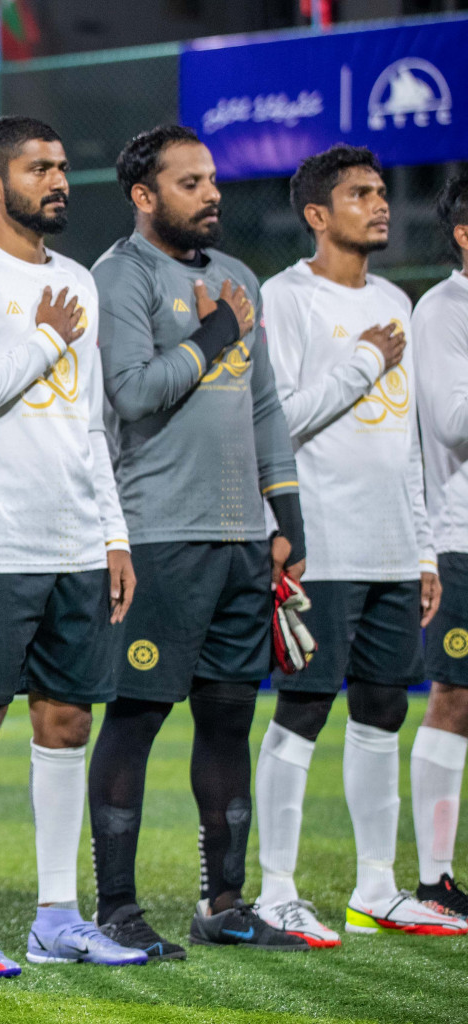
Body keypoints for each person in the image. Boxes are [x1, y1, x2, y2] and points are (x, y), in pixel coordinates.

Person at [0, 116, 146, 973]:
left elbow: (90, 425)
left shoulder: (80, 281)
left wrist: (113, 533)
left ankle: (57, 916)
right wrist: (44, 339)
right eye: (38, 168)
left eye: (60, 165)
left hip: (75, 542)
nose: (57, 180)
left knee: (66, 721)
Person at [87, 124, 310, 956]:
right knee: (139, 716)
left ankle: (223, 903)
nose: (211, 194)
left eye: (212, 180)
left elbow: (265, 410)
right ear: (145, 197)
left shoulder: (238, 277)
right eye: (190, 183)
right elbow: (135, 393)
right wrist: (213, 336)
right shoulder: (120, 275)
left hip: (239, 541)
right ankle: (116, 908)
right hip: (159, 536)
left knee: (227, 722)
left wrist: (287, 519)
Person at [254, 145, 464, 944]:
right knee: (304, 709)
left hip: (388, 546)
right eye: (360, 195)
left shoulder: (398, 299)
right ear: (317, 214)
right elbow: (283, 420)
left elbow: (407, 442)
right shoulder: (287, 297)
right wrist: (367, 360)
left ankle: (376, 886)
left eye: (381, 192)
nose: (380, 205)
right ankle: (278, 887)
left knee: (382, 711)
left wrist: (419, 550)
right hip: (321, 545)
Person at [413, 171, 468, 924]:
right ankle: (433, 879)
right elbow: (454, 421)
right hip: (459, 535)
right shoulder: (440, 310)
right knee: (455, 699)